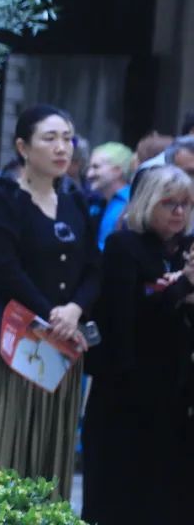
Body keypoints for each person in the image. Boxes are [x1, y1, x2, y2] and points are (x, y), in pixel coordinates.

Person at [0, 105, 98, 501]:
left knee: (49, 450)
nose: (62, 148)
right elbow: (2, 268)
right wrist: (51, 314)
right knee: (3, 447)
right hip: (12, 342)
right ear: (23, 147)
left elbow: (94, 267)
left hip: (62, 343)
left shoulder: (74, 200)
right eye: (50, 138)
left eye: (67, 138)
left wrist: (74, 311)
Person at [81, 165, 194, 524]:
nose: (179, 212)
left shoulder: (186, 249)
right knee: (120, 494)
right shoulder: (123, 247)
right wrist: (182, 287)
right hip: (126, 390)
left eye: (186, 204)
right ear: (147, 203)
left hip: (176, 389)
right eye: (169, 203)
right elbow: (125, 320)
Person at [86, 142, 133, 249]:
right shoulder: (93, 202)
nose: (89, 174)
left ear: (117, 171)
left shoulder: (133, 202)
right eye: (89, 168)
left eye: (96, 167)